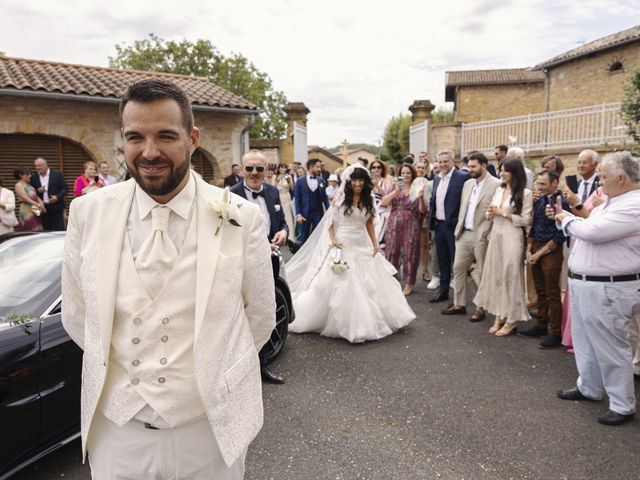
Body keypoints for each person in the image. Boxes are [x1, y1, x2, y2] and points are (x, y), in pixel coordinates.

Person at [61, 78, 275, 479]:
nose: (149, 151)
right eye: (135, 137)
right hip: (118, 432)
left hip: (208, 431)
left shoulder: (240, 217)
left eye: (165, 135)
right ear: (121, 140)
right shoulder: (86, 213)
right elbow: (77, 314)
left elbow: (259, 317)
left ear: (192, 138)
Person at [553, 151, 640, 426]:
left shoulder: (634, 204)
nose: (600, 183)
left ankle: (622, 404)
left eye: (603, 176)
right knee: (585, 341)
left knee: (611, 347)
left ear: (621, 177)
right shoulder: (613, 201)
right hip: (586, 283)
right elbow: (589, 224)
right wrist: (572, 218)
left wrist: (566, 219)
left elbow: (592, 231)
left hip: (608, 287)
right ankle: (589, 387)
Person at [287, 164, 415, 342]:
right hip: (343, 242)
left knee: (369, 281)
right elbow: (330, 222)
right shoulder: (341, 199)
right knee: (342, 281)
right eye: (355, 180)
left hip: (361, 243)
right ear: (349, 181)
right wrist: (333, 240)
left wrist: (375, 244)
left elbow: (369, 223)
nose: (358, 183)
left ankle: (370, 321)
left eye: (361, 180)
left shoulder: (368, 199)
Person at [230, 150, 288, 385]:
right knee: (240, 313)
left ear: (267, 170)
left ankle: (262, 364)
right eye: (250, 168)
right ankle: (237, 367)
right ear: (242, 169)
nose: (254, 173)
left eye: (259, 168)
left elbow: (281, 220)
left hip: (270, 258)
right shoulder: (230, 196)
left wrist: (283, 231)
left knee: (266, 310)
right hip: (241, 263)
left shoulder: (273, 192)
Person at [474, 158, 533, 336]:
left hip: (512, 237)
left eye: (505, 170)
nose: (501, 173)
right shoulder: (499, 189)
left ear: (514, 172)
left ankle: (512, 319)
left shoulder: (526, 193)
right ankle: (500, 314)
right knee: (497, 275)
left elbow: (526, 220)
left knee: (512, 276)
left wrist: (504, 213)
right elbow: (490, 214)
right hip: (496, 235)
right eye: (500, 170)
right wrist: (490, 211)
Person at [441, 152, 500, 321]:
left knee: (482, 272)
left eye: (473, 167)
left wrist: (489, 233)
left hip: (482, 234)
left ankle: (481, 307)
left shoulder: (496, 184)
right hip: (463, 233)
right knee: (458, 268)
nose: (470, 170)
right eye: (469, 167)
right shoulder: (467, 184)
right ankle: (459, 304)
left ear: (483, 165)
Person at [519, 171, 568, 348]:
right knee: (540, 290)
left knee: (552, 293)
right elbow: (534, 225)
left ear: (554, 183)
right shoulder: (539, 200)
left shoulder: (562, 202)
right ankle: (541, 324)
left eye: (543, 184)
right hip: (536, 247)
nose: (539, 187)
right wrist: (530, 248)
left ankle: (555, 333)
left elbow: (561, 233)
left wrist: (540, 253)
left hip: (551, 251)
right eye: (538, 183)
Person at [428, 150, 469, 303]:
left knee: (457, 263)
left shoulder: (463, 177)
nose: (443, 164)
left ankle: (459, 298)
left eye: (446, 161)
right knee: (442, 260)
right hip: (439, 226)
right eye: (440, 161)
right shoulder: (437, 179)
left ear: (453, 162)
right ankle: (443, 290)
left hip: (454, 226)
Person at [382, 163, 426, 296]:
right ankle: (392, 281)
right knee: (392, 252)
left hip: (411, 223)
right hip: (394, 222)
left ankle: (409, 283)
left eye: (408, 173)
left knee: (410, 253)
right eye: (403, 173)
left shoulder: (417, 187)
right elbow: (384, 202)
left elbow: (422, 211)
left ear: (412, 174)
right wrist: (395, 191)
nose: (405, 175)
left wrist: (421, 198)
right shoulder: (394, 187)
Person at [294, 158, 330, 245]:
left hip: (318, 213)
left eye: (320, 167)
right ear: (311, 167)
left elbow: (324, 198)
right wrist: (298, 214)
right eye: (317, 167)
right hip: (304, 213)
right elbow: (297, 199)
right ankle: (303, 256)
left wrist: (330, 210)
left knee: (318, 236)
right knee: (304, 237)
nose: (319, 169)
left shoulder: (321, 180)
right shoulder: (300, 181)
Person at [30, 157, 67, 231]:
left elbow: (65, 189)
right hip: (42, 208)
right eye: (36, 166)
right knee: (46, 230)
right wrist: (38, 190)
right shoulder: (33, 177)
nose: (38, 168)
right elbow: (31, 192)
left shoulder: (57, 175)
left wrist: (57, 197)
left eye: (40, 165)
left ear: (46, 165)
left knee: (59, 229)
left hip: (57, 207)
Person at [369, 159, 394, 246]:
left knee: (380, 230)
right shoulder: (369, 180)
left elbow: (387, 194)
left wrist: (376, 185)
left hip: (383, 208)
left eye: (378, 167)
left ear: (382, 168)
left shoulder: (387, 179)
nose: (376, 169)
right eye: (374, 167)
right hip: (371, 206)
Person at [273, 163, 296, 240]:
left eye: (284, 168)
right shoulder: (275, 176)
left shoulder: (288, 176)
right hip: (278, 197)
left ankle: (289, 236)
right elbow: (272, 187)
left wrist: (289, 181)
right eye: (281, 168)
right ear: (278, 168)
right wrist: (277, 181)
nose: (283, 169)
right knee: (278, 215)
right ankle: (278, 234)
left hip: (286, 197)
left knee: (288, 216)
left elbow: (292, 188)